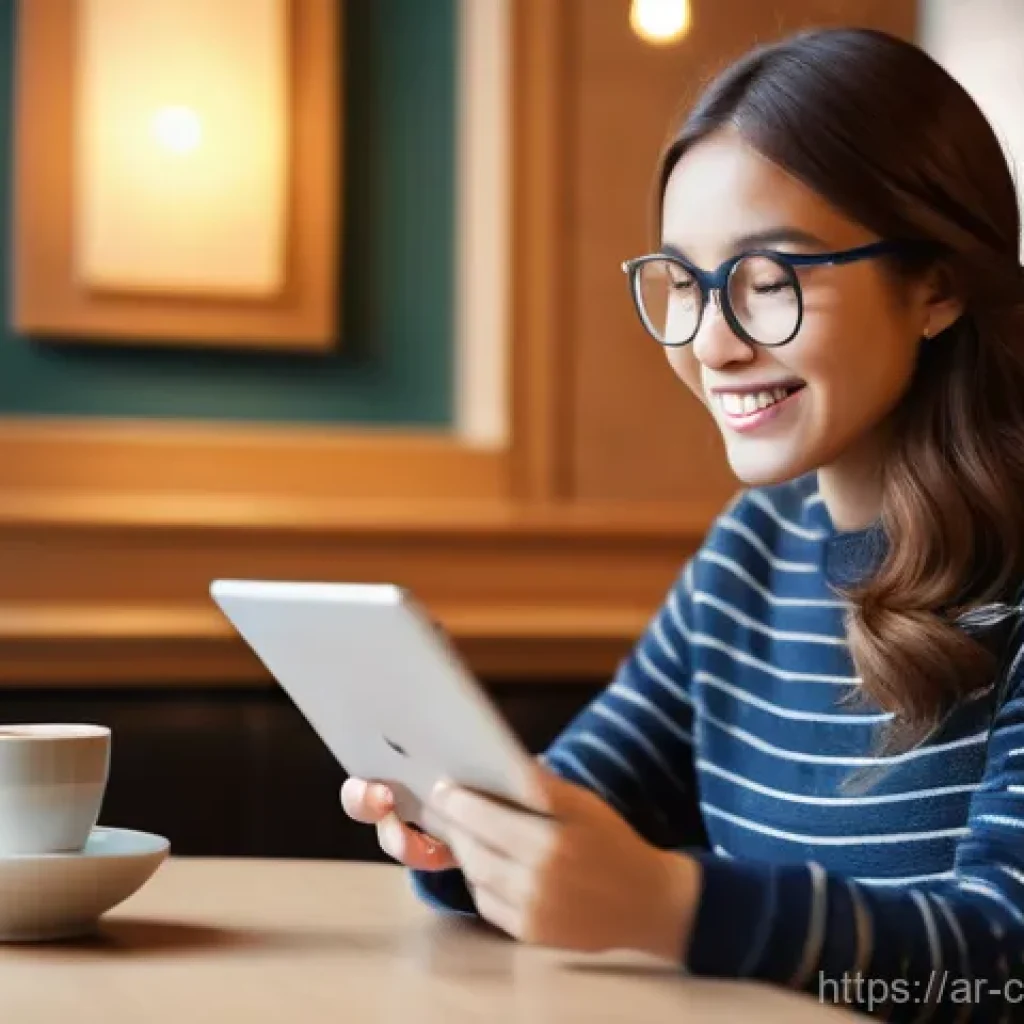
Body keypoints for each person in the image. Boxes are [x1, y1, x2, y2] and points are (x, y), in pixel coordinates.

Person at [341, 27, 1024, 1021]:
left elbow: (1001, 963)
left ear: (938, 284)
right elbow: (582, 808)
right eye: (686, 283)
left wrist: (670, 906)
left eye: (769, 280)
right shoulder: (748, 552)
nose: (711, 341)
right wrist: (460, 838)